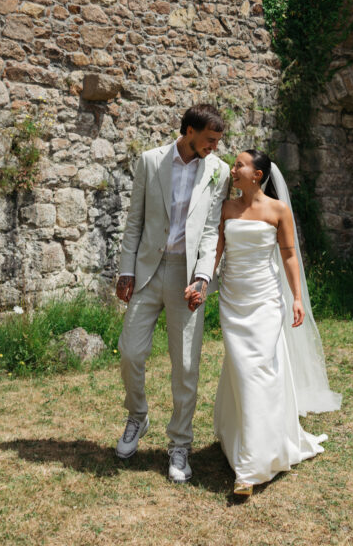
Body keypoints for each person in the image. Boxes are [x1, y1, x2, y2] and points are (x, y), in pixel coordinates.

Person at [187, 149, 341, 496]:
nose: (233, 168)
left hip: (267, 302)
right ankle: (242, 436)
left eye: (240, 164)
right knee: (242, 370)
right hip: (233, 302)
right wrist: (202, 283)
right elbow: (215, 252)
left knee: (260, 371)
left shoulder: (278, 210)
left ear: (257, 175)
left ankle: (252, 468)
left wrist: (297, 297)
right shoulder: (226, 209)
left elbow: (288, 254)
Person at [115, 103, 230, 483]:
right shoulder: (151, 161)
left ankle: (180, 443)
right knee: (130, 350)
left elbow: (212, 230)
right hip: (148, 270)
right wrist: (126, 270)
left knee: (185, 365)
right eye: (210, 139)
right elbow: (135, 220)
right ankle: (138, 417)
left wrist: (202, 278)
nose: (215, 146)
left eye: (217, 140)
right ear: (189, 131)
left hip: (187, 276)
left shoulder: (219, 171)